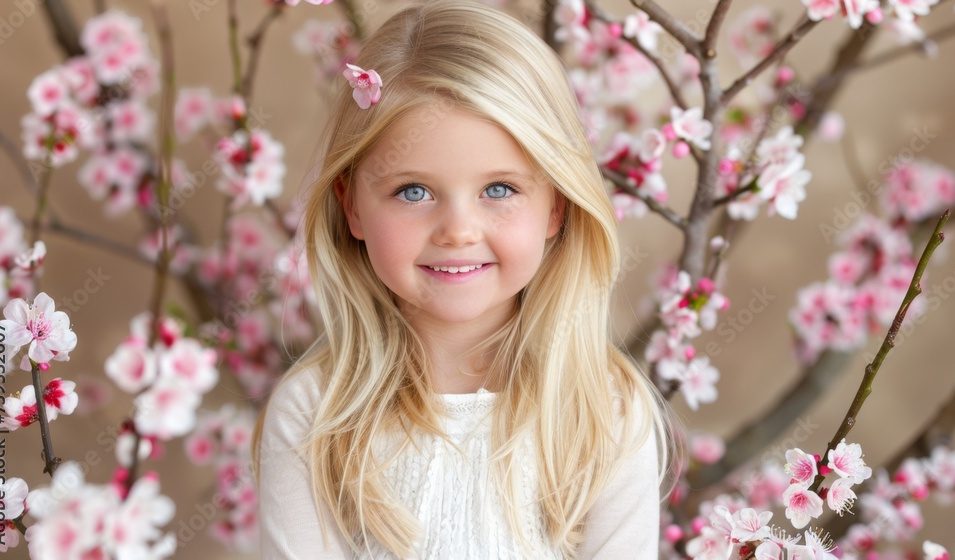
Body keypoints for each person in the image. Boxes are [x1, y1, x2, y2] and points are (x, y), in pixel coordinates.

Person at [252, 1, 671, 558]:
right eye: (413, 192)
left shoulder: (606, 411)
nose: (457, 231)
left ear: (556, 207)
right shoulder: (314, 417)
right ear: (351, 206)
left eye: (499, 189)